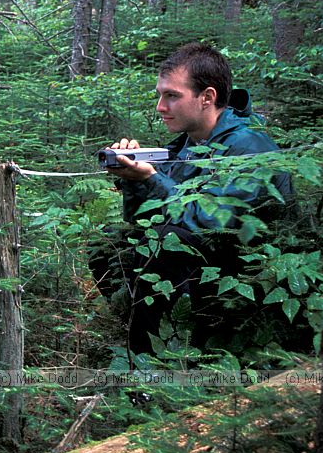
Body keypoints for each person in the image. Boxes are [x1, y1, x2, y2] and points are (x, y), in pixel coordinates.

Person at [93, 42, 292, 354]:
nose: (160, 106)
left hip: (246, 269)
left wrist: (152, 177)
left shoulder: (250, 147)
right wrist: (132, 180)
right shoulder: (182, 147)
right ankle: (145, 331)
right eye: (160, 94)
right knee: (107, 244)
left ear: (207, 98)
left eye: (172, 95)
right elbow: (141, 221)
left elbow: (211, 223)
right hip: (202, 257)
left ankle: (149, 363)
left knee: (165, 239)